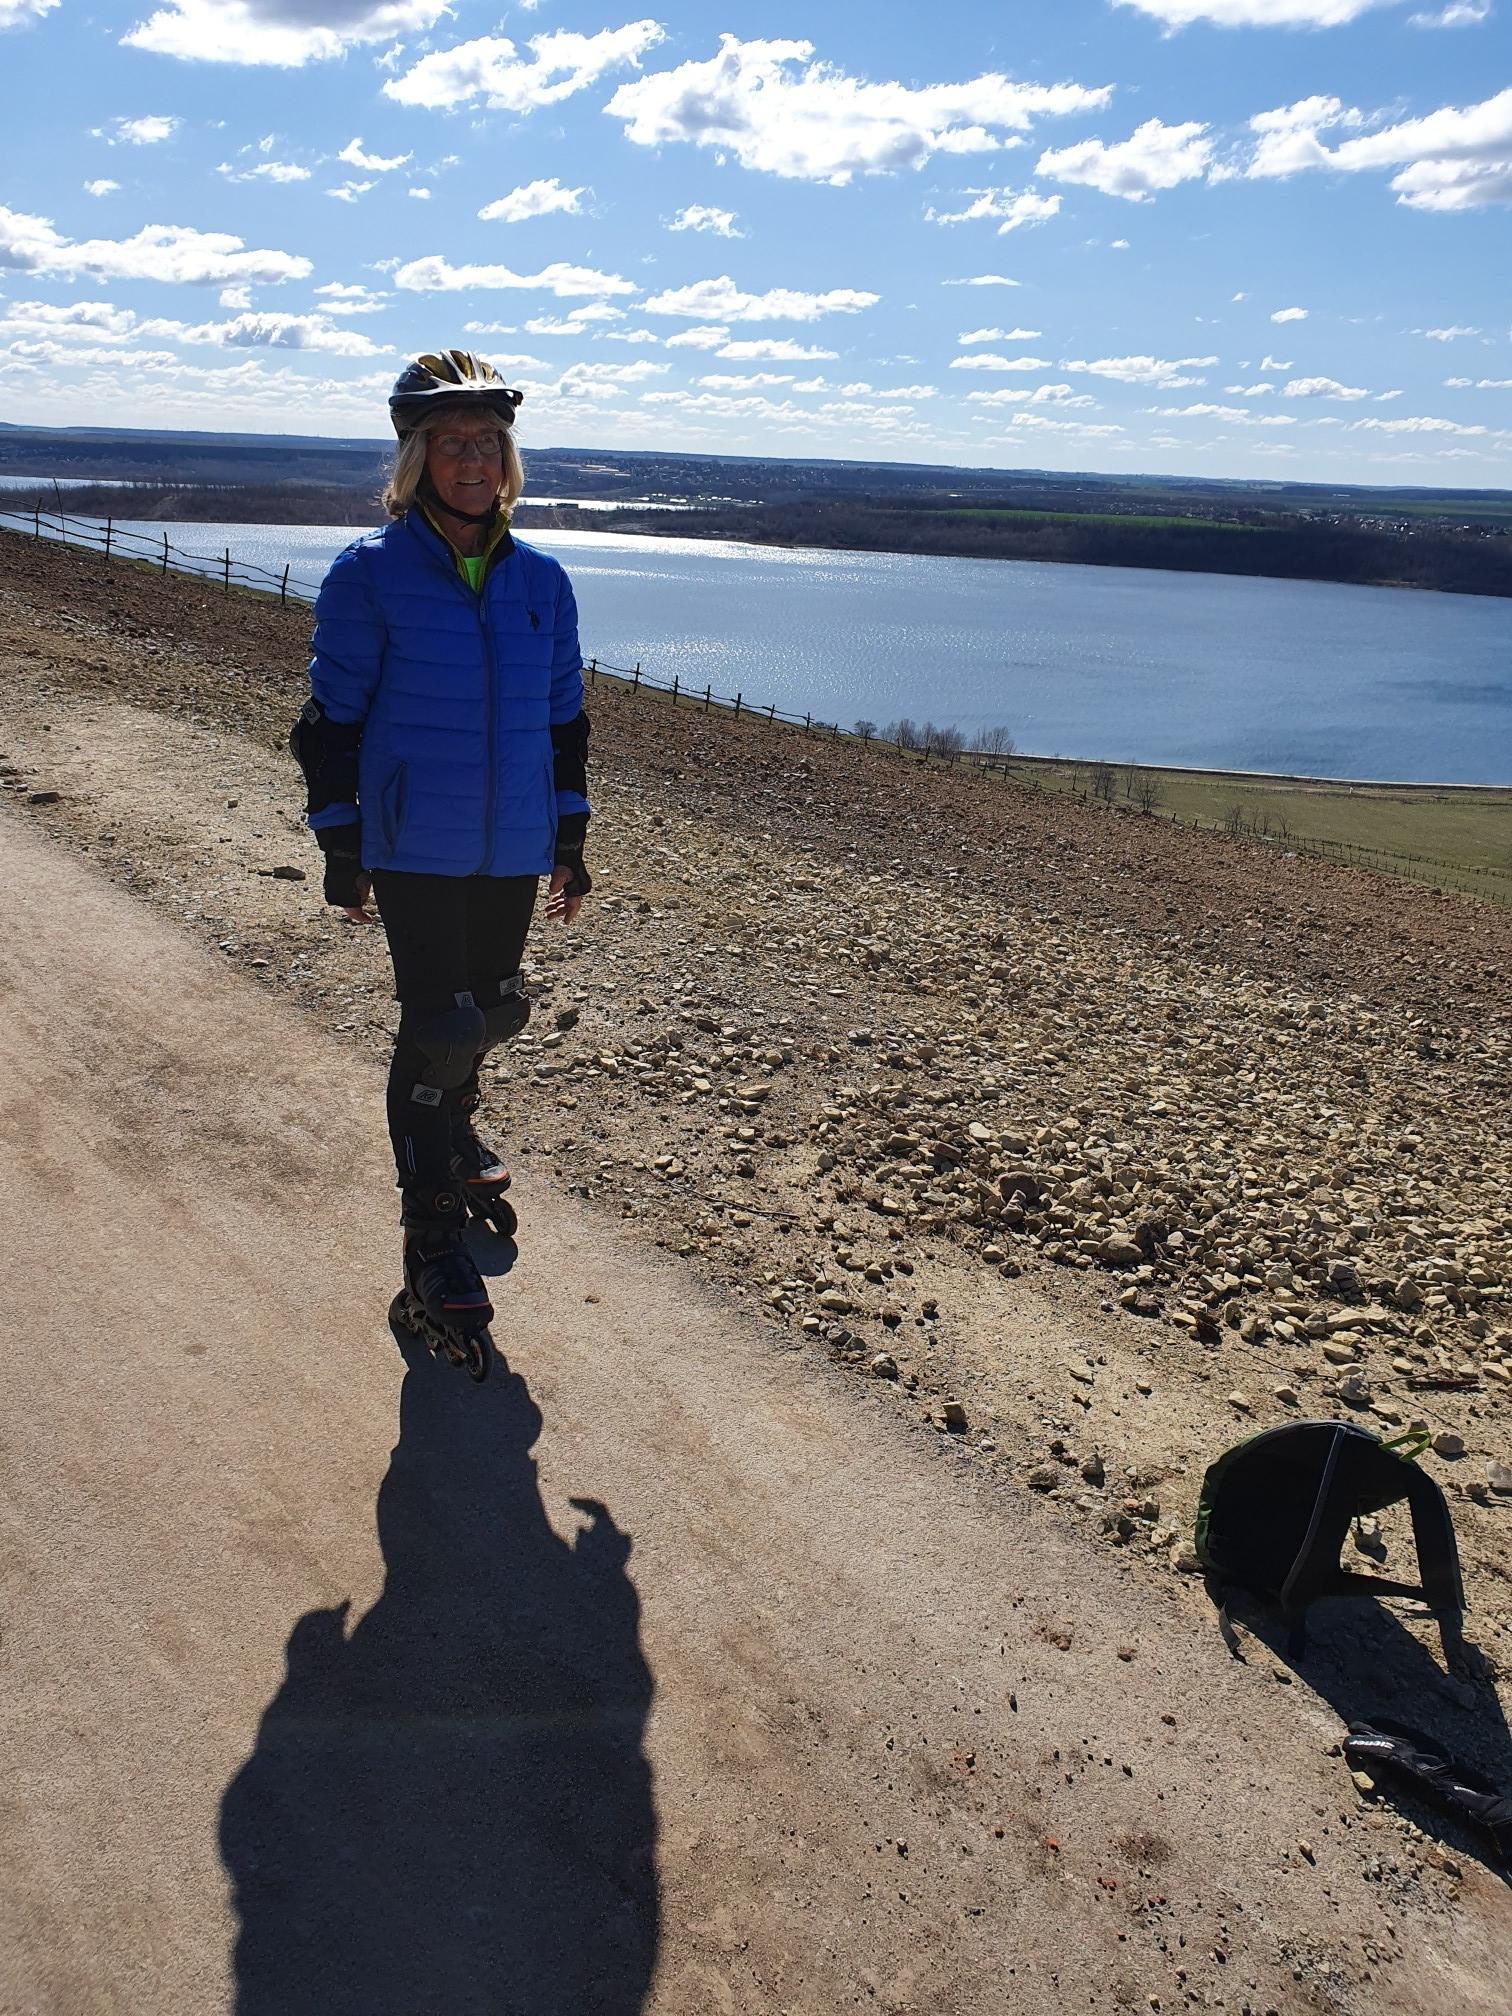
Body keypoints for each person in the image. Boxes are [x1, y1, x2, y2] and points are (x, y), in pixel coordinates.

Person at [291, 348, 591, 1337]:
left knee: (493, 1009)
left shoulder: (542, 579)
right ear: (417, 459)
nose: (472, 459)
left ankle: (453, 1135)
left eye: (488, 442)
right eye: (451, 442)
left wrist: (570, 838)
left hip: (511, 843)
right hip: (414, 841)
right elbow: (329, 724)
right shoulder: (371, 573)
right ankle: (428, 1242)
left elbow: (564, 722)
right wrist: (342, 847)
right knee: (439, 1028)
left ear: (508, 461)